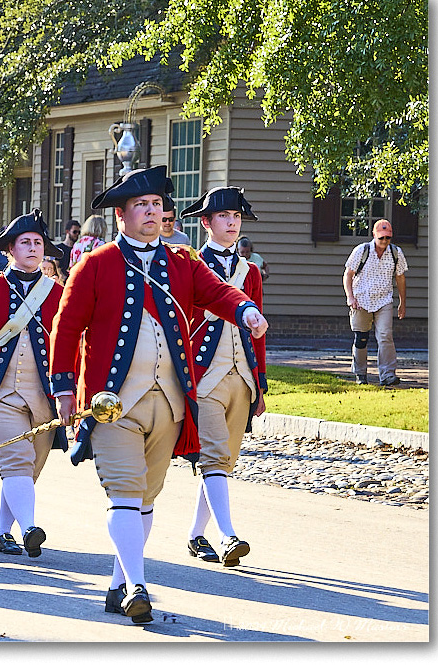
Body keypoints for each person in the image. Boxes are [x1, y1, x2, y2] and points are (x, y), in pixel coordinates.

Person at [50, 166, 268, 623]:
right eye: (140, 206)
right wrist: (65, 388)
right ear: (121, 216)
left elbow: (218, 292)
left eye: (155, 205)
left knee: (146, 498)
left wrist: (246, 309)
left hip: (169, 403)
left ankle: (116, 582)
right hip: (113, 405)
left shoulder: (183, 261)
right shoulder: (96, 264)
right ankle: (136, 585)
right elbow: (66, 327)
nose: (151, 212)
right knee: (124, 492)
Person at [0, 212, 67, 558]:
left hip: (44, 397)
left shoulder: (58, 293)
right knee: (16, 460)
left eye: (38, 243)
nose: (33, 248)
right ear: (9, 250)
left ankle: (3, 532)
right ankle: (30, 528)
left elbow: (72, 342)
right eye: (26, 243)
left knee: (26, 469)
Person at [179, 186, 267, 568]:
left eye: (236, 217)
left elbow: (258, 330)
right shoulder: (189, 266)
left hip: (241, 375)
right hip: (203, 375)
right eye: (223, 217)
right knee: (213, 458)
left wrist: (260, 382)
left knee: (223, 462)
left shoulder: (250, 272)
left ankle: (196, 535)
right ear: (206, 223)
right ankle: (227, 534)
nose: (231, 223)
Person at [342, 219, 408, 386]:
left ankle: (388, 375)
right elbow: (348, 275)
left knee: (385, 335)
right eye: (381, 238)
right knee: (361, 338)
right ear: (374, 235)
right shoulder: (361, 251)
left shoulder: (396, 253)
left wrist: (402, 302)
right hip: (361, 300)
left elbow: (400, 278)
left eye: (387, 238)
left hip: (384, 301)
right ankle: (360, 374)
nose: (384, 241)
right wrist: (350, 297)